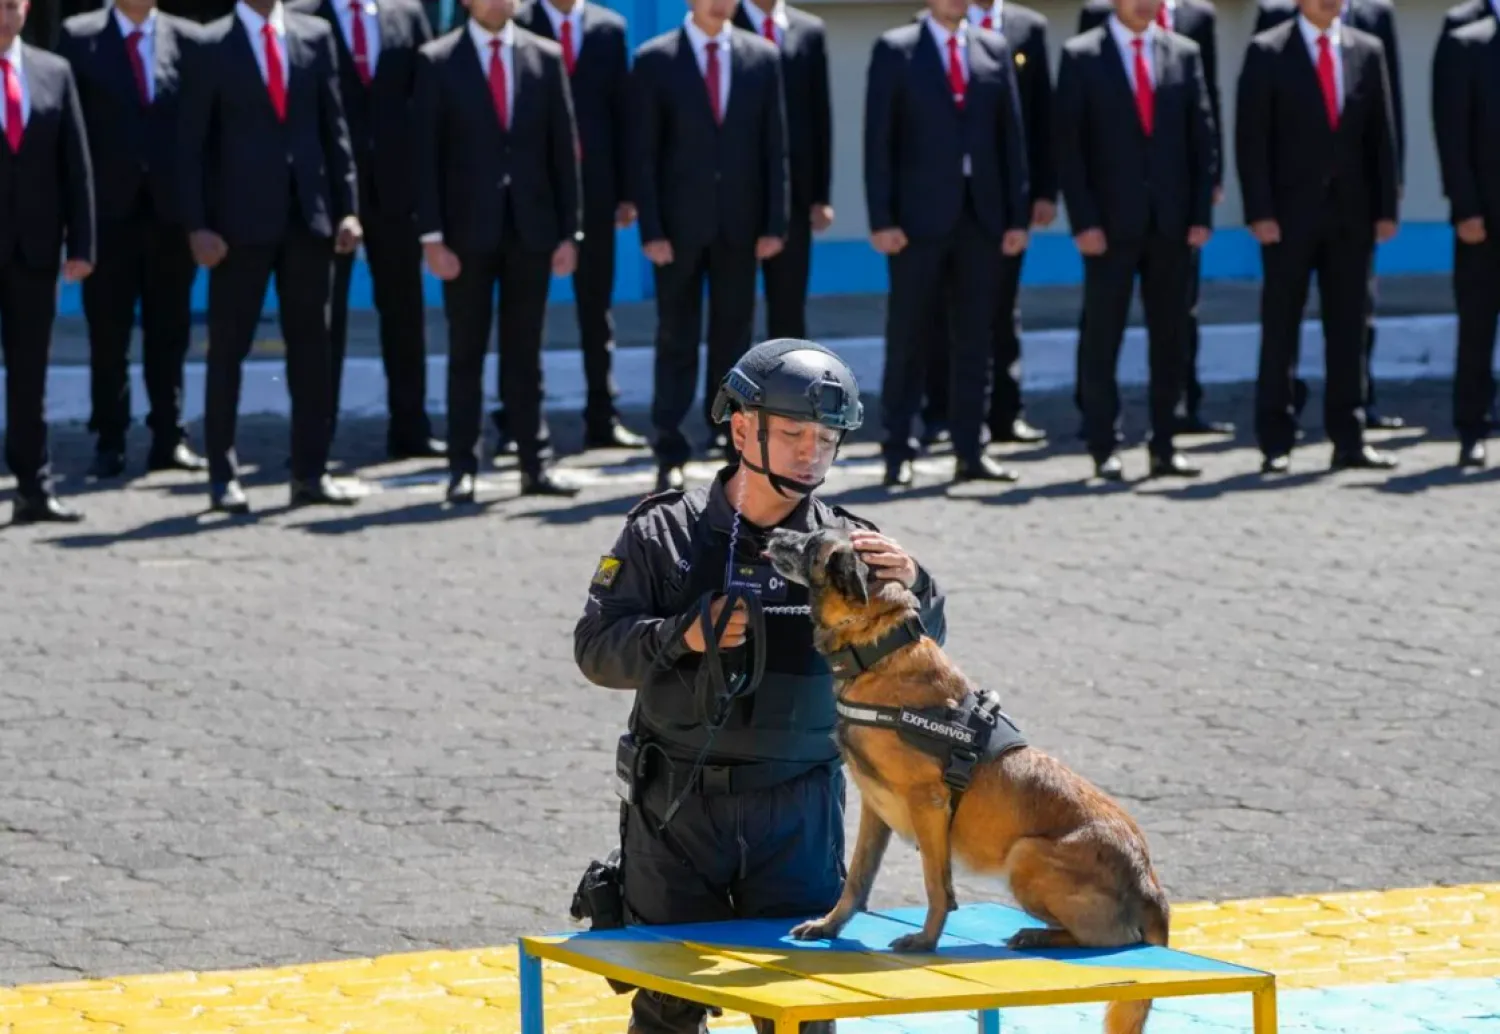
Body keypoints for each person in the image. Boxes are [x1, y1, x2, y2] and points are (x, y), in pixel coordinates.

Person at [573, 337, 947, 1034]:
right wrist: (676, 636)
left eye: (827, 438)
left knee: (804, 1007)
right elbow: (595, 650)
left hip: (797, 813)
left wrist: (919, 587)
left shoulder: (851, 548)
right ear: (743, 428)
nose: (813, 452)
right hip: (677, 810)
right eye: (795, 433)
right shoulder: (665, 534)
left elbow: (917, 664)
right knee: (667, 1008)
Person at [177, 0, 365, 513]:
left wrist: (348, 210)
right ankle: (223, 476)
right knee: (228, 352)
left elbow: (335, 130)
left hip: (309, 221)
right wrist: (197, 225)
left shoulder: (315, 36)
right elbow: (190, 144)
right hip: (236, 229)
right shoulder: (209, 43)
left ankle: (310, 473)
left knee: (313, 353)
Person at [414, 0, 583, 502]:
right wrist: (432, 237)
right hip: (464, 238)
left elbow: (562, 148)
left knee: (525, 354)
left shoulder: (545, 56)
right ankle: (462, 466)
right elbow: (424, 155)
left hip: (530, 232)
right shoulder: (437, 59)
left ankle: (535, 463)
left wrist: (568, 233)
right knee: (466, 352)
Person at [863, 0, 1030, 488]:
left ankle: (970, 449)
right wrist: (882, 217)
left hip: (981, 220)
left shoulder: (994, 49)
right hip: (916, 223)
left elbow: (1011, 140)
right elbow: (878, 141)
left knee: (977, 340)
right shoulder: (897, 49)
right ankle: (898, 449)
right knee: (909, 337)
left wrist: (1016, 216)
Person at [628, 0, 790, 493]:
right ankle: (670, 446)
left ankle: (730, 441)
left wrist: (774, 221)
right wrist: (651, 229)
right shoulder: (656, 58)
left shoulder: (761, 56)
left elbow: (774, 146)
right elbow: (644, 151)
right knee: (675, 336)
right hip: (677, 230)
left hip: (739, 226)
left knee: (734, 341)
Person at [1235, 0, 1399, 473]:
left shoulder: (1367, 49)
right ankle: (1276, 438)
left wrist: (1385, 208)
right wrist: (1259, 211)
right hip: (1287, 218)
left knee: (1350, 329)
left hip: (1352, 218)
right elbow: (1252, 138)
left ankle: (1349, 436)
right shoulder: (1268, 50)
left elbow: (1381, 137)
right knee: (1281, 328)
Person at [1054, 0, 1214, 480]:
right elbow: (1070, 147)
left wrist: (1201, 212)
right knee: (1103, 337)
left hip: (1171, 225)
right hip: (1108, 228)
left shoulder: (1183, 52)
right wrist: (1083, 220)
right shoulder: (1082, 54)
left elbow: (1202, 137)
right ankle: (1103, 445)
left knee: (1171, 339)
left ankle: (1165, 443)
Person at [289, 0, 445, 461]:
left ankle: (410, 429)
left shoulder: (408, 15)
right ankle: (319, 436)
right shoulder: (304, 17)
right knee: (324, 322)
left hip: (398, 191)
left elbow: (427, 98)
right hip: (331, 193)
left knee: (404, 314)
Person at [58, 0, 207, 481]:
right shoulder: (80, 37)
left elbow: (202, 125)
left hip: (169, 213)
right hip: (108, 216)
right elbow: (68, 132)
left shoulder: (188, 38)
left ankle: (170, 436)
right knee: (108, 333)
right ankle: (110, 437)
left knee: (170, 331)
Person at [921, 0, 1055, 450]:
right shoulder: (925, 30)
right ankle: (941, 412)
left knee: (1002, 310)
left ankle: (1005, 413)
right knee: (942, 313)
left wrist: (1041, 193)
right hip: (942, 206)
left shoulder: (1027, 27)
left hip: (1000, 204)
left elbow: (1037, 118)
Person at [513, 0, 647, 452]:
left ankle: (601, 416)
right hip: (532, 191)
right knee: (523, 314)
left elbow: (625, 112)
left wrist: (629, 191)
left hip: (595, 190)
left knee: (596, 310)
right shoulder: (518, 20)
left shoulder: (608, 29)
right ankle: (518, 422)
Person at [0, 0, 94, 524]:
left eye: (11, 4)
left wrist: (82, 244)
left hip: (35, 250)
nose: (3, 14)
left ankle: (34, 487)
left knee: (30, 374)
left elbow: (75, 165)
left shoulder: (53, 72)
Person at [732, 0, 832, 343]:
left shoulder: (809, 31)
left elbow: (820, 117)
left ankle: (788, 391)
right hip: (737, 188)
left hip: (794, 190)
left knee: (788, 305)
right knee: (734, 309)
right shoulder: (726, 21)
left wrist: (821, 195)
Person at [1432, 14, 1500, 468]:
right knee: (1477, 326)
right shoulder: (1466, 44)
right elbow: (1452, 136)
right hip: (1485, 220)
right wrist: (1465, 208)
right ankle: (1471, 429)